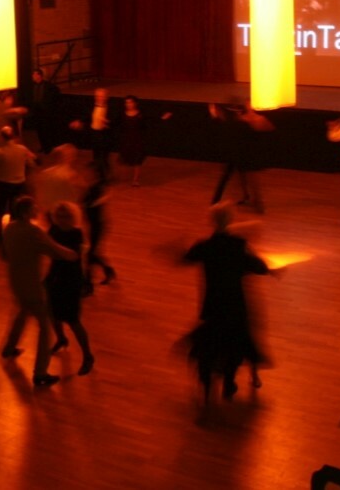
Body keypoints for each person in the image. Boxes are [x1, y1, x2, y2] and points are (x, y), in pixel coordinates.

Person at [184, 202, 279, 402]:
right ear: (230, 220)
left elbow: (187, 257)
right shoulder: (238, 246)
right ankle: (229, 381)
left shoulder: (205, 246)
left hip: (213, 305)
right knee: (237, 342)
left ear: (213, 221)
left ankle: (208, 386)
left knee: (212, 343)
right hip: (235, 304)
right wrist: (271, 271)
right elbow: (257, 265)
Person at [0, 196, 79, 387]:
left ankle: (9, 348)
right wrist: (74, 254)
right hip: (33, 285)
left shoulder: (9, 228)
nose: (38, 210)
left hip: (15, 281)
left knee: (21, 312)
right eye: (34, 208)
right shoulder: (34, 232)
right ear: (27, 212)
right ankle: (40, 373)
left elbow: (8, 253)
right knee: (45, 327)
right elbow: (55, 250)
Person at [45, 202, 95, 375]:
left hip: (71, 280)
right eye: (59, 216)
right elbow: (50, 252)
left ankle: (88, 356)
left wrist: (52, 247)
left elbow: (73, 256)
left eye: (66, 216)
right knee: (53, 314)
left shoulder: (76, 234)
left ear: (73, 217)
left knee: (73, 320)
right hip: (55, 277)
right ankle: (61, 339)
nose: (62, 219)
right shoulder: (54, 230)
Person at [211, 100, 273, 212]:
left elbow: (265, 130)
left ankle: (256, 203)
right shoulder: (244, 121)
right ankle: (252, 201)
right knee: (245, 179)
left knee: (247, 179)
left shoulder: (246, 121)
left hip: (243, 154)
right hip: (243, 154)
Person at [0, 126, 36, 242]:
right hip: (19, 184)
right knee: (15, 209)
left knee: (0, 210)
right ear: (14, 136)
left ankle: (0, 232)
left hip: (3, 184)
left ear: (2, 137)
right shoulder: (22, 149)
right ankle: (12, 232)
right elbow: (31, 164)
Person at [116, 95, 172, 187]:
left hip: (138, 140)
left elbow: (151, 120)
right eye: (127, 102)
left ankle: (135, 180)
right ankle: (122, 179)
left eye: (130, 102)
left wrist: (162, 118)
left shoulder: (140, 114)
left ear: (135, 103)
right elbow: (116, 124)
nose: (128, 104)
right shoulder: (122, 114)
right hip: (126, 140)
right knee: (124, 159)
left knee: (137, 160)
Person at [81, 162, 116, 293]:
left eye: (90, 171)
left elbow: (99, 199)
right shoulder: (93, 186)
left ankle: (88, 284)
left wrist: (94, 202)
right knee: (92, 253)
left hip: (98, 225)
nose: (87, 173)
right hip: (93, 224)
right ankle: (108, 270)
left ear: (96, 173)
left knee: (89, 254)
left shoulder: (98, 187)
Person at [70, 88, 115, 179]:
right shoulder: (91, 106)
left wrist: (107, 123)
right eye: (97, 96)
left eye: (101, 96)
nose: (99, 98)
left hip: (104, 135)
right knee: (96, 154)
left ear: (106, 97)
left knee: (103, 156)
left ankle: (103, 176)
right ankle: (98, 173)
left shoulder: (111, 108)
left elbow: (115, 121)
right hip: (94, 134)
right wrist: (79, 121)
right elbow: (87, 116)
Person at [29, 67, 62, 155]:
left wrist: (51, 107)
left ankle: (48, 147)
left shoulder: (48, 86)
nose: (33, 76)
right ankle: (43, 146)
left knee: (47, 130)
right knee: (39, 131)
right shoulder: (33, 86)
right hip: (37, 112)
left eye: (34, 74)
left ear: (39, 76)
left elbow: (56, 95)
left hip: (46, 113)